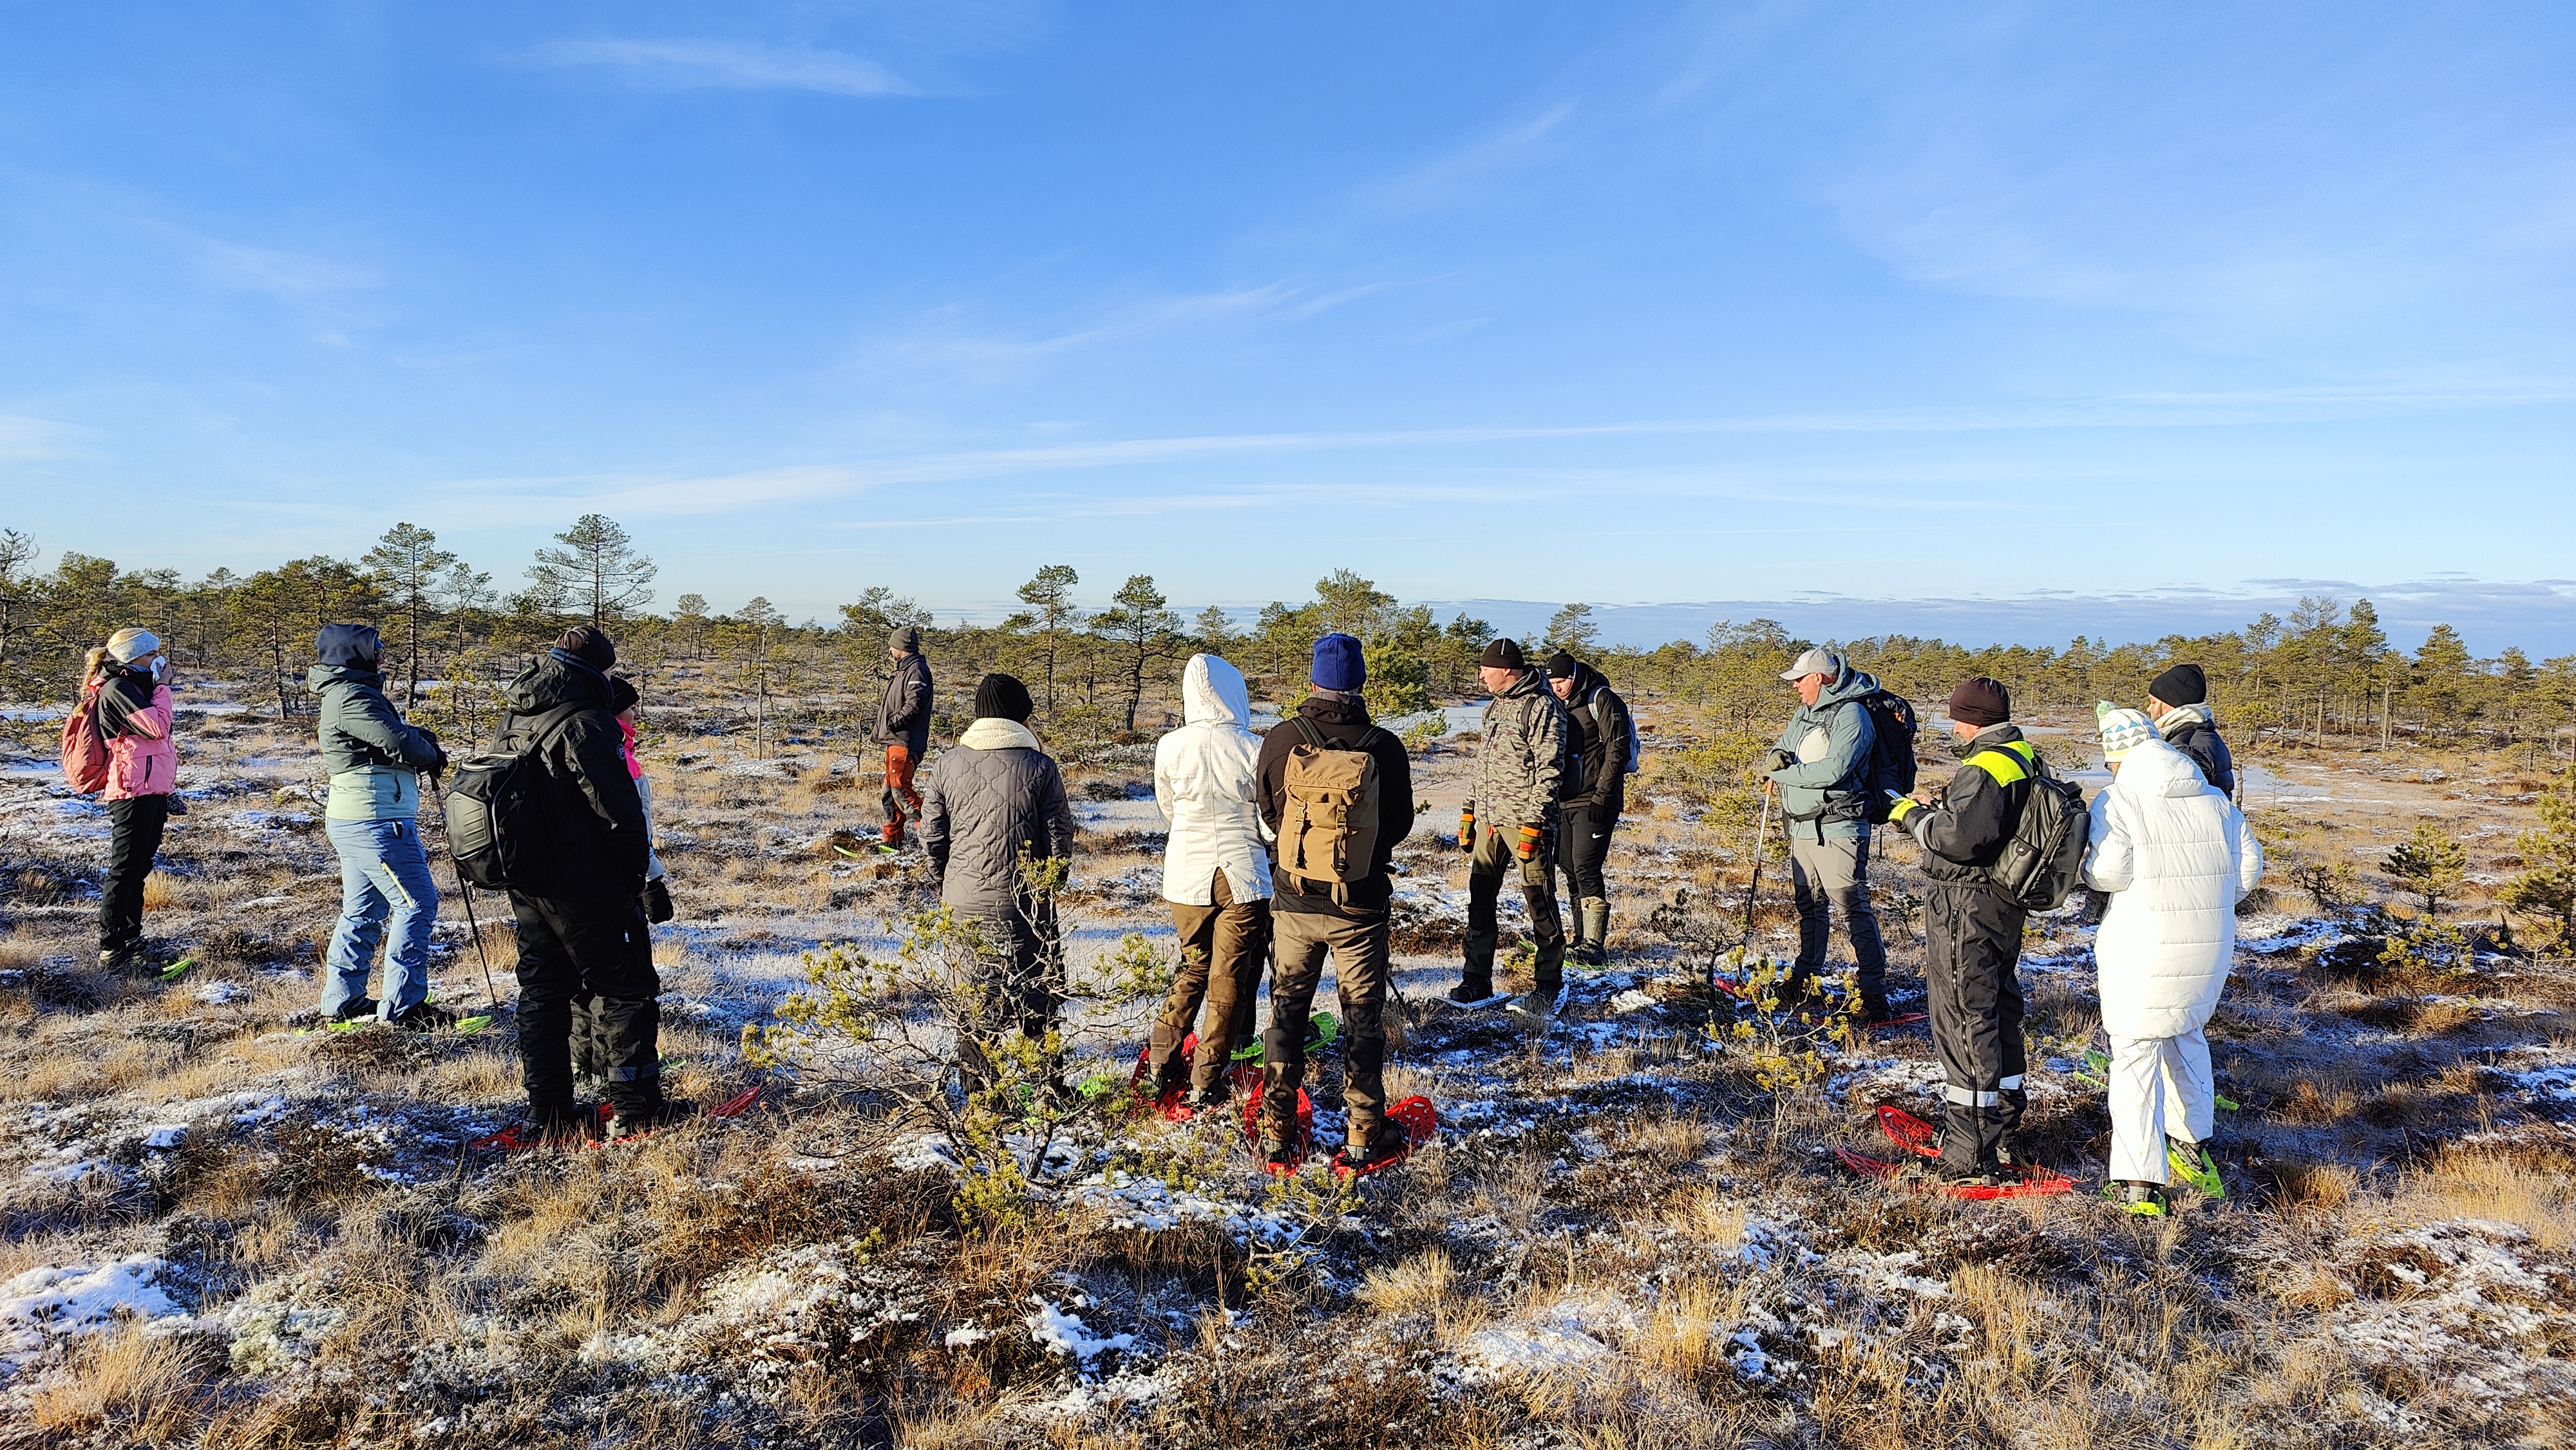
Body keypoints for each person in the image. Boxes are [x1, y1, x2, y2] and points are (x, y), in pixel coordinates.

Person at [491, 625, 678, 1141]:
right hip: (586, 882)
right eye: (611, 670)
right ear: (599, 669)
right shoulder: (587, 722)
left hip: (529, 880)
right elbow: (617, 811)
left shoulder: (518, 715)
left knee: (543, 991)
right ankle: (638, 1112)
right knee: (627, 989)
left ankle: (548, 1113)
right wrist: (637, 878)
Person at [2083, 704, 2263, 1217]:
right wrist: (2211, 906)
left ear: (2117, 755)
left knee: (2135, 1057)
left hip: (2142, 948)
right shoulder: (2215, 801)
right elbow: (2249, 868)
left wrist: (2087, 873)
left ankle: (2139, 1183)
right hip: (2209, 947)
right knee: (2187, 1034)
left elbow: (2108, 872)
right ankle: (2192, 1141)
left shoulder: (2119, 800)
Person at [1255, 634, 1414, 1169]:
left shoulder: (1282, 739)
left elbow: (1269, 813)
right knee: (1362, 1018)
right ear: (1361, 682)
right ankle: (1364, 1130)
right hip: (1359, 908)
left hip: (1294, 904)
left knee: (1287, 1012)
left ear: (1313, 681)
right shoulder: (1384, 746)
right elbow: (1400, 825)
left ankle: (1277, 1129)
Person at [1885, 677, 2040, 1183]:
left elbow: (1957, 839)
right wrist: (1946, 806)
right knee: (1997, 1008)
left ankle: (1969, 1152)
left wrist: (1912, 814)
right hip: (2001, 904)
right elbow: (1986, 826)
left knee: (1964, 1015)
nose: (1954, 728)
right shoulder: (2022, 756)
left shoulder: (1986, 766)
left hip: (1966, 906)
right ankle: (2002, 1128)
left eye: (1957, 718)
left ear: (1972, 721)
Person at [921, 672, 1075, 1099]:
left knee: (974, 999)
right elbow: (1059, 838)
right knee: (1038, 995)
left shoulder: (947, 764)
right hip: (1026, 902)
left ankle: (981, 1098)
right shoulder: (1041, 766)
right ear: (1019, 716)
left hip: (962, 902)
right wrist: (1051, 885)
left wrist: (946, 882)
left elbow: (932, 836)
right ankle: (1047, 1091)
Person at [1148, 653, 1274, 1111]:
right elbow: (1268, 823)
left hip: (1185, 876)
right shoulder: (1253, 747)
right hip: (1243, 874)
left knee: (1193, 968)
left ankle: (1160, 1063)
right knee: (1228, 979)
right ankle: (1206, 1079)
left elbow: (1168, 809)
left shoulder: (1169, 746)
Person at [310, 623, 450, 1028]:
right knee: (417, 904)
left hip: (361, 818)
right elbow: (397, 742)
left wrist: (418, 737)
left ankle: (343, 1003)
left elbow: (390, 736)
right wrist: (431, 754)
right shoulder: (351, 695)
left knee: (363, 911)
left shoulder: (350, 692)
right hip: (376, 819)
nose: (384, 655)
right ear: (356, 654)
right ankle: (405, 1009)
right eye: (377, 648)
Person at [1763, 647, 1894, 1019]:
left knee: (1851, 908)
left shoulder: (1853, 715)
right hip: (1803, 826)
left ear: (1818, 678)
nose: (1795, 686)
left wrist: (1781, 774)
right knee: (1810, 905)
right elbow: (1783, 746)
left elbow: (1833, 771)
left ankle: (1873, 996)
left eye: (1800, 680)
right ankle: (1805, 980)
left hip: (1839, 828)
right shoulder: (1805, 712)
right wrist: (1774, 759)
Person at [1453, 637, 1569, 1013]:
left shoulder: (1542, 707)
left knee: (1539, 901)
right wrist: (1470, 812)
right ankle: (1476, 980)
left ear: (1506, 670)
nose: (1481, 676)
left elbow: (1551, 770)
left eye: (1485, 669)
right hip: (1489, 823)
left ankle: (1548, 983)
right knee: (1480, 900)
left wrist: (1534, 823)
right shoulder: (1494, 707)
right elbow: (1482, 766)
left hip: (1526, 824)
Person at [83, 628, 177, 974]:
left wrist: (156, 687)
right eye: (151, 654)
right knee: (124, 869)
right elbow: (157, 728)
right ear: (133, 656)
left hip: (150, 788)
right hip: (132, 790)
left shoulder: (136, 687)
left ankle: (130, 939)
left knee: (138, 867)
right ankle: (112, 947)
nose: (158, 659)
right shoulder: (119, 689)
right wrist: (163, 687)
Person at [1546, 650, 1632, 966]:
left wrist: (1602, 797)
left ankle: (1595, 946)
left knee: (1585, 865)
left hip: (1596, 800)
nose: (1557, 687)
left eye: (1562, 681)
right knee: (1568, 866)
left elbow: (1618, 750)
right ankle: (1580, 939)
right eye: (1552, 682)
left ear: (1574, 676)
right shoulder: (1556, 703)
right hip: (1564, 799)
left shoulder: (1602, 699)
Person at [875, 626, 934, 850]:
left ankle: (935, 834)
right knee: (890, 794)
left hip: (904, 741)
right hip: (896, 741)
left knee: (901, 791)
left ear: (902, 647)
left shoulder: (916, 671)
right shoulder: (904, 670)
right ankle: (892, 842)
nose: (890, 650)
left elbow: (914, 704)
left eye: (892, 646)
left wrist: (893, 723)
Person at [2146, 663, 2236, 800]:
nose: (2149, 709)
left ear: (2171, 703)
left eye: (2153, 702)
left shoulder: (2187, 748)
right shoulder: (2198, 735)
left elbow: (2183, 804)